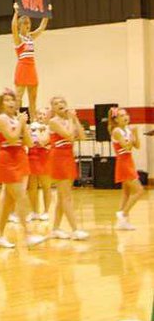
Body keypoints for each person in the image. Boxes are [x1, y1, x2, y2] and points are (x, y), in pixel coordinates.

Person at [0, 89, 45, 249]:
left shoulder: (18, 119)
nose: (10, 103)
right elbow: (11, 137)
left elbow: (28, 143)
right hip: (7, 159)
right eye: (7, 100)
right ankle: (27, 236)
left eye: (13, 100)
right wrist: (22, 123)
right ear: (2, 103)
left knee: (9, 202)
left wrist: (26, 126)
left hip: (20, 158)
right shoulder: (0, 118)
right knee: (21, 197)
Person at [48, 96, 89, 240]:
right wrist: (72, 120)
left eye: (62, 102)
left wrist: (76, 120)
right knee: (67, 196)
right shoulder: (53, 122)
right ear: (52, 108)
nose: (60, 104)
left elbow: (83, 137)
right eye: (56, 103)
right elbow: (69, 137)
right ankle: (75, 230)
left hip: (68, 156)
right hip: (58, 157)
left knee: (61, 196)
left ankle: (55, 229)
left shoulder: (69, 120)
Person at [11, 2, 52, 120]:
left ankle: (34, 121)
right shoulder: (18, 38)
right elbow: (13, 27)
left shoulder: (30, 36)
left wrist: (46, 13)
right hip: (22, 67)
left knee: (33, 98)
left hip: (31, 67)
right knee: (18, 96)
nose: (27, 25)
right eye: (24, 23)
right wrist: (16, 13)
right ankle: (15, 119)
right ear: (20, 26)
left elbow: (41, 28)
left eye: (28, 23)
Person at [108, 107, 144, 230]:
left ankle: (121, 222)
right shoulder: (117, 131)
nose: (125, 117)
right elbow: (127, 147)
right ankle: (123, 214)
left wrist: (135, 134)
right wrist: (133, 134)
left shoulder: (127, 130)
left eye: (126, 114)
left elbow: (137, 146)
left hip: (129, 161)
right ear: (116, 119)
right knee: (139, 191)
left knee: (126, 193)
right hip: (123, 163)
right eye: (121, 115)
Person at [26, 108, 52, 221]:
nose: (41, 116)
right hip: (31, 156)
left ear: (48, 116)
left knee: (46, 185)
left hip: (45, 156)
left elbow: (43, 142)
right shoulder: (31, 126)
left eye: (44, 114)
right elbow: (28, 141)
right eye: (39, 114)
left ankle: (46, 211)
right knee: (32, 186)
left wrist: (39, 132)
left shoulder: (50, 127)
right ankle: (34, 211)